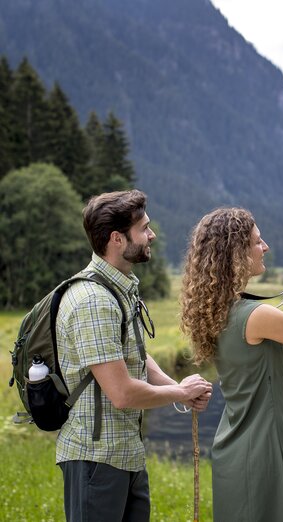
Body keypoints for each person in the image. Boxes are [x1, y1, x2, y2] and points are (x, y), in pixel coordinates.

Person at [180, 207, 283, 522]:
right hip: (265, 452)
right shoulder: (255, 316)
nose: (266, 247)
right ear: (236, 253)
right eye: (258, 242)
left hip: (239, 451)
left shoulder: (224, 311)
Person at [56, 189, 213, 522]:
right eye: (144, 228)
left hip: (126, 454)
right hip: (96, 460)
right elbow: (122, 393)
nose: (151, 234)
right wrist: (181, 392)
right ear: (117, 238)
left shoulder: (119, 288)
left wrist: (180, 392)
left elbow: (137, 358)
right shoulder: (93, 301)